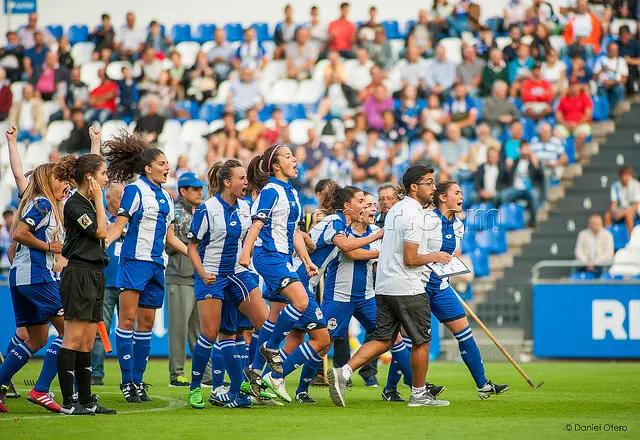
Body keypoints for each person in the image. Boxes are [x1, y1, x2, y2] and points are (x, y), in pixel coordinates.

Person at [327, 165, 450, 408]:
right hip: (407, 286)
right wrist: (436, 256)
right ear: (414, 187)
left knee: (385, 339)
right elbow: (411, 258)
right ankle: (418, 394)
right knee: (421, 341)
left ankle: (344, 372)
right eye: (429, 182)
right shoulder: (415, 214)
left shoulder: (395, 210)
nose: (434, 187)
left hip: (383, 286)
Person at [276, 183, 384, 403]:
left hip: (305, 282)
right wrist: (379, 236)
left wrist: (306, 239)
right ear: (347, 206)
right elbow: (346, 248)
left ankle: (269, 378)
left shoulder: (337, 223)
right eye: (361, 201)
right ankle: (272, 378)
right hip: (301, 282)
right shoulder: (336, 222)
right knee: (318, 339)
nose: (366, 206)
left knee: (313, 338)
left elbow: (311, 240)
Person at [104, 133, 189, 403]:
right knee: (127, 320)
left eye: (167, 163)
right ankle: (127, 380)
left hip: (156, 265)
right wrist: (99, 244)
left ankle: (139, 382)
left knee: (147, 323)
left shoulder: (167, 196)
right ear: (148, 167)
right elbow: (118, 226)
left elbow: (171, 237)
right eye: (162, 163)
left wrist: (197, 260)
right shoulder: (134, 191)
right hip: (134, 262)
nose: (167, 167)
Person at [186, 159, 270, 409]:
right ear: (227, 182)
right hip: (211, 275)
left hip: (237, 274)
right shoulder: (207, 209)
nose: (246, 182)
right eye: (241, 178)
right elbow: (192, 247)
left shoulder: (246, 207)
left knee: (264, 324)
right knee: (212, 334)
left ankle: (242, 386)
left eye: (246, 177)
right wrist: (202, 274)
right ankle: (195, 388)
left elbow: (250, 236)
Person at [238, 145, 319, 397]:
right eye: (288, 156)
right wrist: (246, 251)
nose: (295, 159)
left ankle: (254, 377)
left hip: (284, 258)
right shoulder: (270, 191)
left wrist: (305, 260)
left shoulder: (293, 193)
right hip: (269, 258)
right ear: (275, 166)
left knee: (273, 319)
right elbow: (256, 224)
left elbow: (294, 232)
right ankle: (272, 348)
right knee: (302, 301)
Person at [0, 128, 70, 414]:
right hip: (37, 276)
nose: (65, 184)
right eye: (61, 178)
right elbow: (18, 232)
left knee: (38, 338)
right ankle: (41, 389)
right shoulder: (42, 203)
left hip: (20, 278)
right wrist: (49, 247)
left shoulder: (43, 204)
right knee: (71, 333)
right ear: (46, 179)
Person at [52, 153, 115, 415]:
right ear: (90, 178)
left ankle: (87, 401)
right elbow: (101, 231)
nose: (106, 178)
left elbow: (106, 233)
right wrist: (100, 200)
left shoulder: (87, 203)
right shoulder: (76, 205)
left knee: (88, 342)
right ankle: (68, 402)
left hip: (95, 273)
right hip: (78, 273)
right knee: (73, 338)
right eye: (103, 173)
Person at [166, 172, 209, 388]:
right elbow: (169, 242)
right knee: (178, 328)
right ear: (183, 191)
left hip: (197, 277)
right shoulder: (175, 213)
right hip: (179, 276)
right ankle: (177, 374)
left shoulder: (200, 211)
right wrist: (193, 254)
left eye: (200, 188)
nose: (199, 191)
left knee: (200, 329)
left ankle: (206, 375)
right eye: (194, 188)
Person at [90, 182, 125, 386]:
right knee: (100, 329)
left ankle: (130, 376)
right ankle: (96, 373)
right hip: (105, 281)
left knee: (129, 330)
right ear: (108, 198)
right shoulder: (101, 219)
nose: (122, 201)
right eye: (119, 197)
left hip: (128, 282)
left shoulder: (129, 219)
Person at [556, 76, 593, 156]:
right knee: (556, 133)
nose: (573, 87)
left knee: (581, 134)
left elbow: (588, 114)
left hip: (581, 124)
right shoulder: (564, 98)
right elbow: (558, 114)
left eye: (575, 84)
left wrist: (577, 124)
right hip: (566, 125)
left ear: (579, 86)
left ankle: (573, 153)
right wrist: (566, 124)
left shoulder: (584, 98)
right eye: (571, 85)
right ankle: (562, 154)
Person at [593, 42, 628, 121]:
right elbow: (594, 77)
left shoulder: (621, 61)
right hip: (602, 85)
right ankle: (606, 113)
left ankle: (610, 112)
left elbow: (625, 79)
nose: (614, 52)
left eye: (615, 50)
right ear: (607, 50)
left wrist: (613, 82)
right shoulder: (601, 60)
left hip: (616, 84)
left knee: (618, 89)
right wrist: (601, 69)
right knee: (602, 93)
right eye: (612, 50)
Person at [605, 165, 640, 235]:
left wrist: (624, 212)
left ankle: (630, 240)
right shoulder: (615, 185)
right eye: (624, 175)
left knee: (629, 216)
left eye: (627, 175)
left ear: (631, 175)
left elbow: (636, 206)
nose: (625, 178)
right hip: (620, 210)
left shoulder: (636, 185)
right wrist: (614, 211)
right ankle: (608, 237)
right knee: (608, 216)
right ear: (620, 176)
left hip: (634, 211)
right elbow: (614, 203)